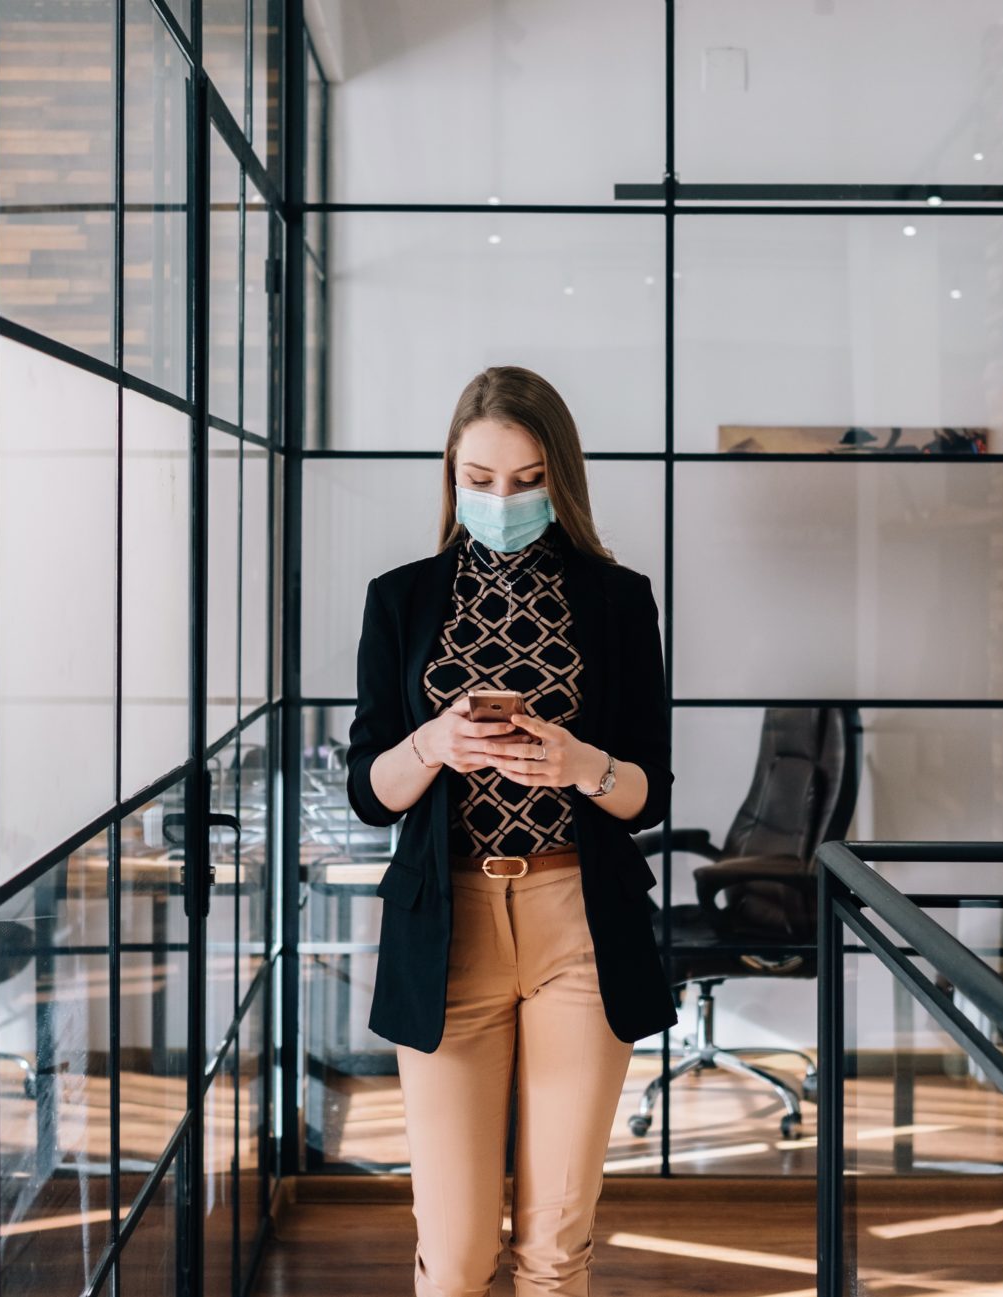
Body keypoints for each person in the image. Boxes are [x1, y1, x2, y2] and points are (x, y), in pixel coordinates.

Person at [343, 365, 679, 1297]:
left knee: (554, 1244)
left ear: (560, 479)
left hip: (578, 919)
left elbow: (648, 791)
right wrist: (433, 741)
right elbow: (371, 792)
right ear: (451, 475)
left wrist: (582, 765)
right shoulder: (400, 598)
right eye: (481, 478)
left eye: (528, 480)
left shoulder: (618, 600)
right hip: (447, 928)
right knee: (454, 1255)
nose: (502, 499)